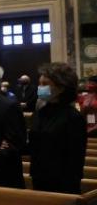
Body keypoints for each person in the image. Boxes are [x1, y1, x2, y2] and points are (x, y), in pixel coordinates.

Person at [28, 63, 86, 194]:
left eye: (45, 84)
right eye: (39, 83)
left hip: (62, 183)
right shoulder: (40, 112)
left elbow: (75, 159)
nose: (40, 88)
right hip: (39, 177)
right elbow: (35, 144)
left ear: (61, 87)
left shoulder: (73, 117)